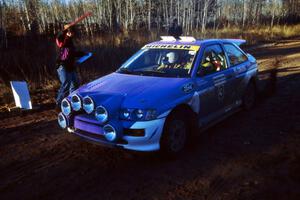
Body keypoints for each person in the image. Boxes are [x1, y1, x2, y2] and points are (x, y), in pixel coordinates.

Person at [55, 25, 84, 107]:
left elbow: (72, 53)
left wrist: (83, 53)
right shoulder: (62, 40)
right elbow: (59, 38)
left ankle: (72, 102)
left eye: (72, 32)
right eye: (70, 32)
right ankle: (59, 103)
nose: (72, 34)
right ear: (67, 32)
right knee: (66, 84)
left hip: (71, 65)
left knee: (74, 84)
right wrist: (64, 30)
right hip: (62, 65)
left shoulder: (70, 42)